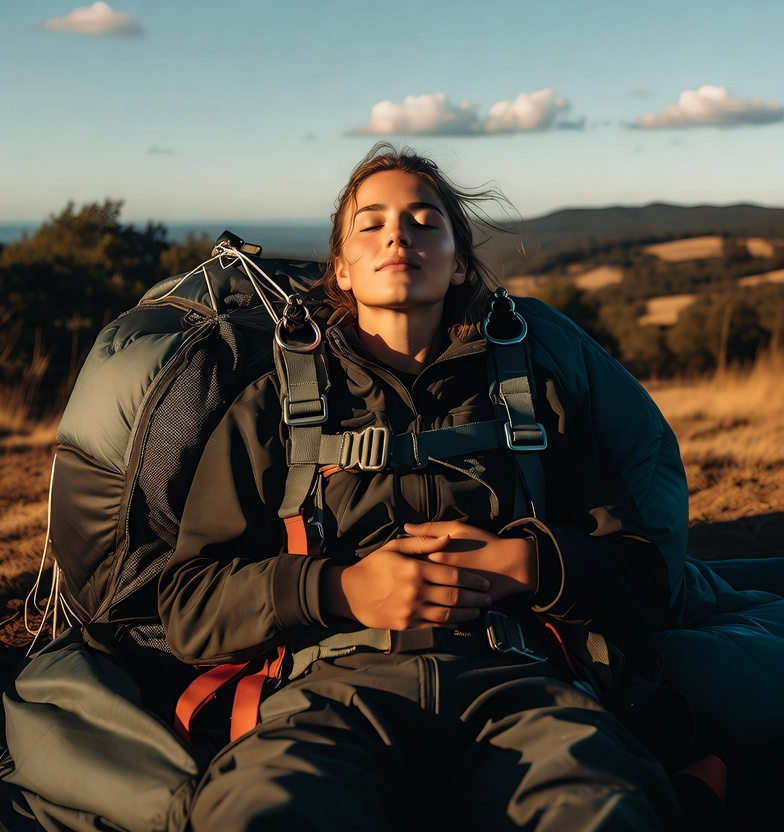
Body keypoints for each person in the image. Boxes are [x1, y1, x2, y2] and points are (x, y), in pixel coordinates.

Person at [158, 143, 695, 832]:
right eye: (371, 223)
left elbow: (644, 580)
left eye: (423, 220)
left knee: (598, 810)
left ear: (460, 261)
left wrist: (527, 564)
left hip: (521, 690)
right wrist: (340, 589)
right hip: (328, 698)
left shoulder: (533, 400)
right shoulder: (271, 411)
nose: (398, 236)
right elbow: (189, 607)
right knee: (267, 813)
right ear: (342, 271)